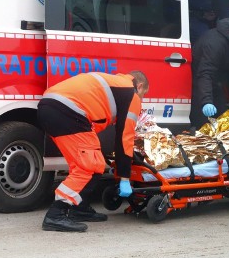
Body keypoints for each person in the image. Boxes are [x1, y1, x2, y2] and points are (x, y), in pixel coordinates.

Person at [37, 71, 149, 232]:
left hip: (51, 108)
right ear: (139, 86)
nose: (141, 99)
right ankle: (56, 214)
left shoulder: (115, 83)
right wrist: (124, 177)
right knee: (87, 167)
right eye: (143, 94)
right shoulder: (131, 94)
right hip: (68, 112)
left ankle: (79, 207)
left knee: (95, 164)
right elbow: (125, 139)